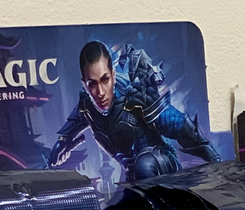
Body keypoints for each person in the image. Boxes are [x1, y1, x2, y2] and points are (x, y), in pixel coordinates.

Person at [49, 40, 219, 180]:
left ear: (113, 75)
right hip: (132, 177)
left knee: (144, 166)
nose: (100, 92)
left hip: (161, 165)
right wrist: (62, 143)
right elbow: (71, 128)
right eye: (92, 84)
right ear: (84, 85)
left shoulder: (134, 93)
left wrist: (215, 161)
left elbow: (177, 124)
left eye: (105, 80)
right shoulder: (87, 106)